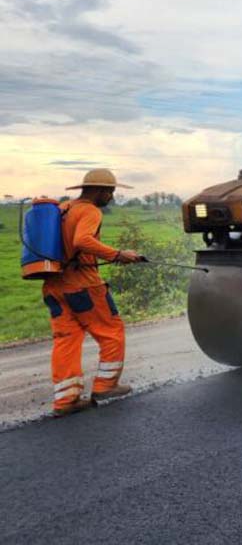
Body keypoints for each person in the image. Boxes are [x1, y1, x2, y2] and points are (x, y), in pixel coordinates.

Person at [42, 169, 142, 417]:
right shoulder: (90, 211)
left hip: (54, 286)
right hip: (83, 285)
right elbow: (82, 241)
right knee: (111, 331)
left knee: (66, 339)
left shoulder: (65, 209)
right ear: (101, 191)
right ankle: (106, 385)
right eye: (111, 192)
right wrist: (118, 255)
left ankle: (66, 400)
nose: (112, 197)